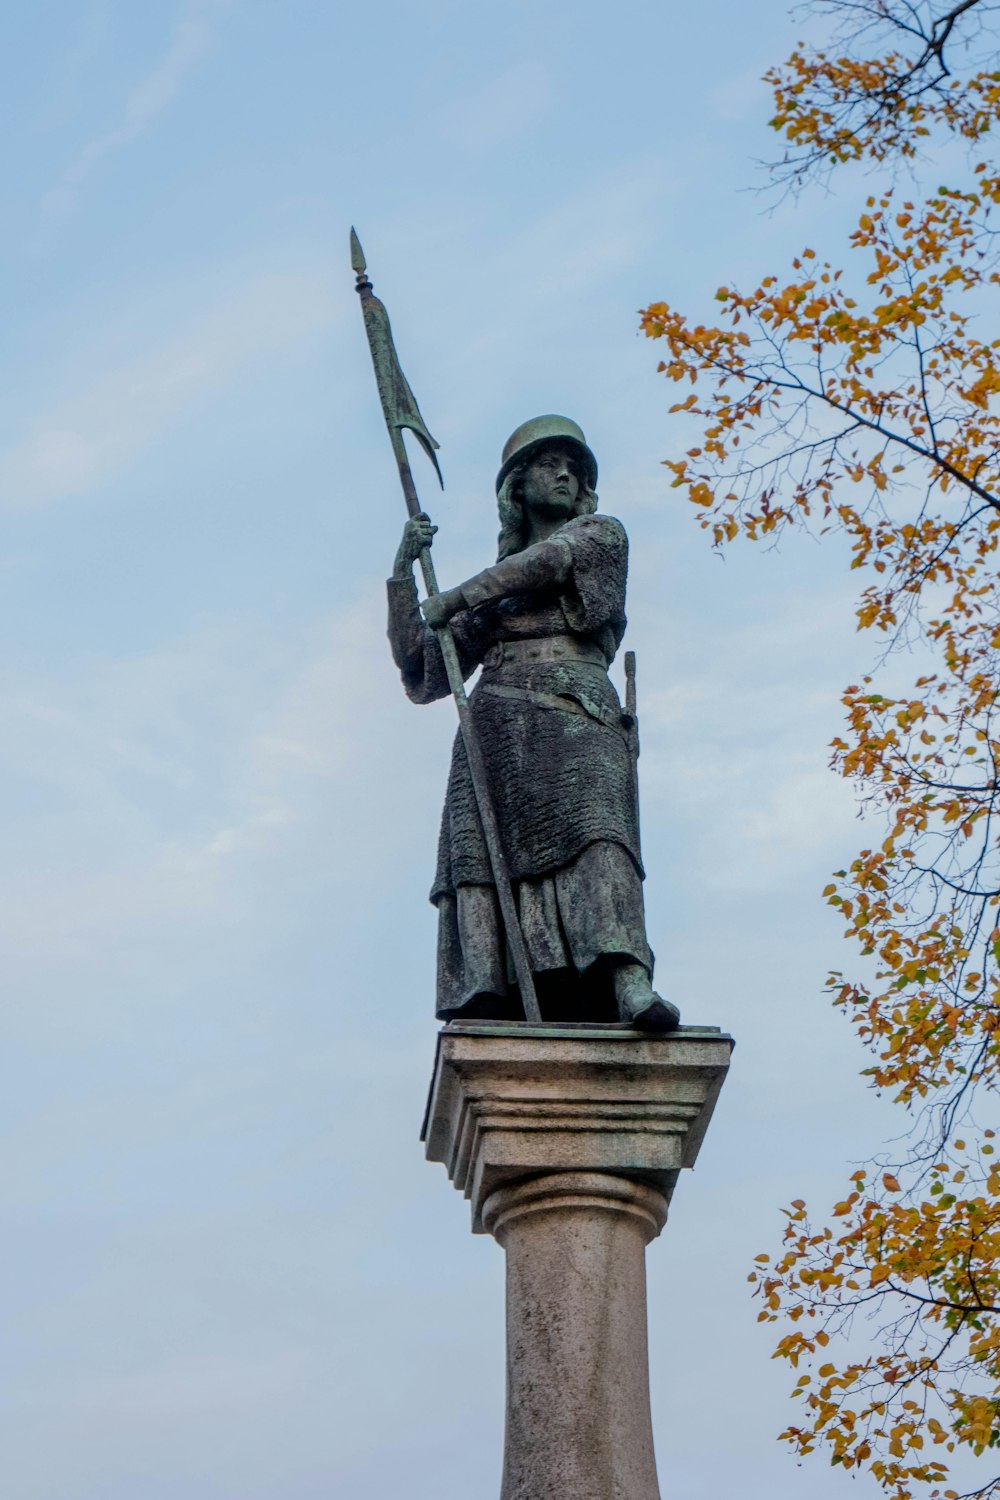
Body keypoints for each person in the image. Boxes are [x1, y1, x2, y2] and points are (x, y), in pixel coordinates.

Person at [386, 415, 679, 1033]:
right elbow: (428, 672)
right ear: (517, 487)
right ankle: (492, 989)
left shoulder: (601, 536)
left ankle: (628, 981)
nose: (566, 473)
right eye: (549, 464)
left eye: (575, 466)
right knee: (483, 858)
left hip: (576, 707)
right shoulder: (493, 594)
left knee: (599, 836)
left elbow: (547, 563)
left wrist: (458, 597)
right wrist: (402, 577)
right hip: (495, 725)